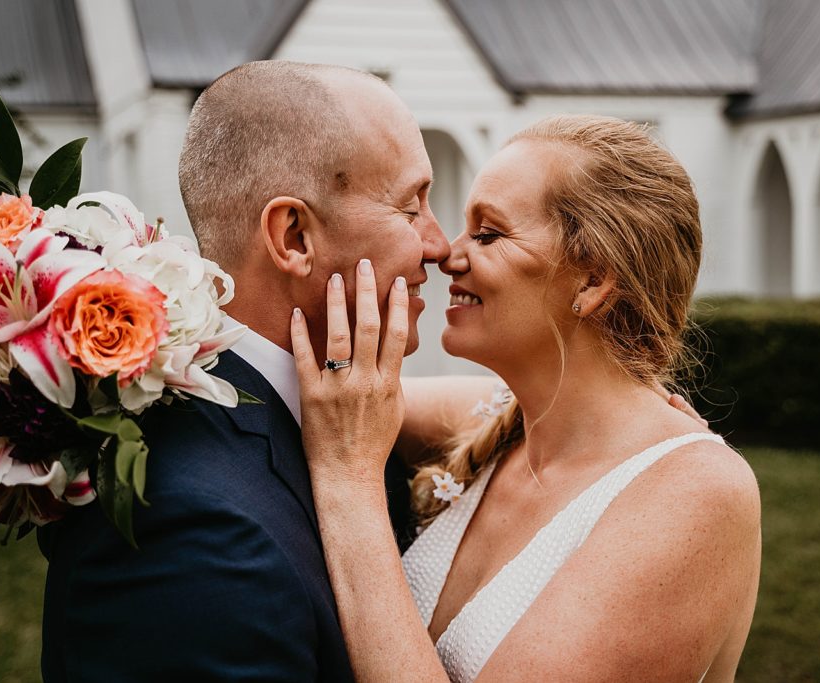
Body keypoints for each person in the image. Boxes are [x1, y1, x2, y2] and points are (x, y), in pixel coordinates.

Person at [292, 115, 763, 681]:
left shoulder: (698, 495)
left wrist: (349, 480)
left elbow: (348, 442)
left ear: (591, 281)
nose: (447, 255)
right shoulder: (499, 417)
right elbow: (334, 402)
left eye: (487, 234)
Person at [38, 60, 450, 681]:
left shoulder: (343, 412)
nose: (440, 245)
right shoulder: (189, 535)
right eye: (411, 207)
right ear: (293, 238)